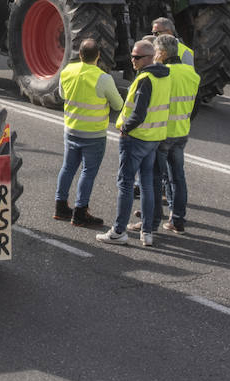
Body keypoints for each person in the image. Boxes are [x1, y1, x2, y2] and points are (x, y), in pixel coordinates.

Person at [97, 37, 172, 247]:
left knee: (125, 184)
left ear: (149, 57)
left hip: (136, 138)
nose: (132, 60)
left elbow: (138, 113)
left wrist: (124, 128)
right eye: (131, 55)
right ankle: (147, 232)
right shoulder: (165, 77)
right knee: (147, 184)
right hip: (154, 138)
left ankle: (118, 231)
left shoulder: (145, 79)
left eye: (137, 57)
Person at [54, 37, 125, 228]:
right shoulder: (103, 78)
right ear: (99, 56)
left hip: (71, 129)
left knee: (68, 167)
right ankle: (80, 211)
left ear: (80, 54)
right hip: (93, 135)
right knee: (88, 172)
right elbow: (119, 104)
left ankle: (60, 206)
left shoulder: (67, 71)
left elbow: (62, 95)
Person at [158, 42, 200, 233]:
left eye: (157, 51)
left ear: (164, 53)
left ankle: (151, 218)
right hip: (182, 131)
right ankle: (177, 219)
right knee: (178, 177)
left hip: (161, 132)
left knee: (155, 177)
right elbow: (195, 105)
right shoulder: (191, 74)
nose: (155, 54)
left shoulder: (162, 73)